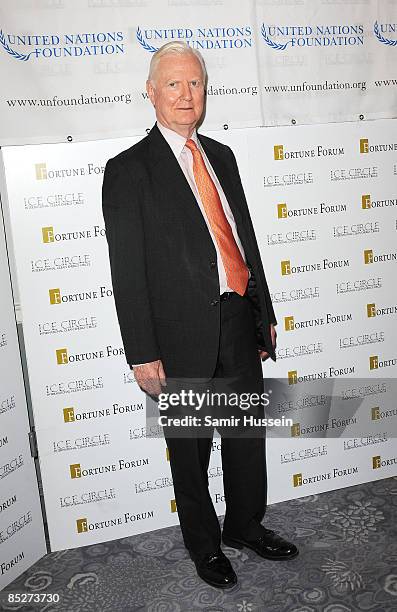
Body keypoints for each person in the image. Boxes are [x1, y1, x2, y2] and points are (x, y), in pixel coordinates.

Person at [102, 41, 298, 589]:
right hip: (178, 335)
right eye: (174, 84)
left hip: (237, 321)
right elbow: (128, 271)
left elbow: (243, 241)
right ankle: (204, 546)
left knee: (244, 438)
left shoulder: (223, 156)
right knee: (189, 452)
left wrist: (263, 314)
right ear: (151, 92)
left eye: (196, 84)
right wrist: (142, 352)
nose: (187, 95)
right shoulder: (128, 171)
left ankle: (244, 526)